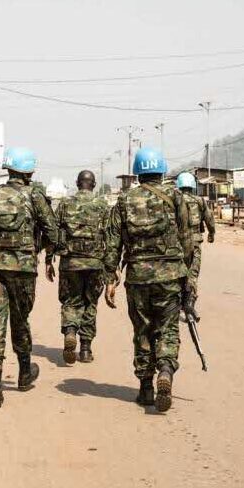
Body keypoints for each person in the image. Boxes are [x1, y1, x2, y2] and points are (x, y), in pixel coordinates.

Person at [104, 147, 193, 413]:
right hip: (170, 276)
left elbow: (113, 243)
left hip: (138, 277)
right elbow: (187, 239)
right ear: (161, 171)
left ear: (138, 173)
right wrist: (186, 275)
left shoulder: (124, 200)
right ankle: (165, 369)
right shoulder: (176, 197)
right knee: (167, 328)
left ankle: (145, 388)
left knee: (142, 330)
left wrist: (111, 277)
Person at [0, 147, 59, 408]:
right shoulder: (34, 195)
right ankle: (23, 373)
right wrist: (39, 251)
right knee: (20, 320)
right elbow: (52, 232)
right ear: (29, 171)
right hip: (22, 268)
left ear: (8, 168)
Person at [48, 170, 109, 364]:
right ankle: (85, 349)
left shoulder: (66, 204)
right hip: (95, 262)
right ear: (94, 184)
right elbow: (110, 236)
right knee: (90, 302)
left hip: (70, 262)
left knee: (71, 301)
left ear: (77, 183)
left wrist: (49, 259)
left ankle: (70, 331)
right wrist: (110, 268)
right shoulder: (102, 205)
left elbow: (53, 232)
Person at [176, 171, 216, 320]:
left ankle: (177, 302)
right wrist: (212, 233)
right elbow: (209, 219)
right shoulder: (200, 201)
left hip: (178, 243)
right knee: (193, 272)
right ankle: (189, 303)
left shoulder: (175, 200)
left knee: (179, 271)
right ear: (193, 186)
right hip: (195, 242)